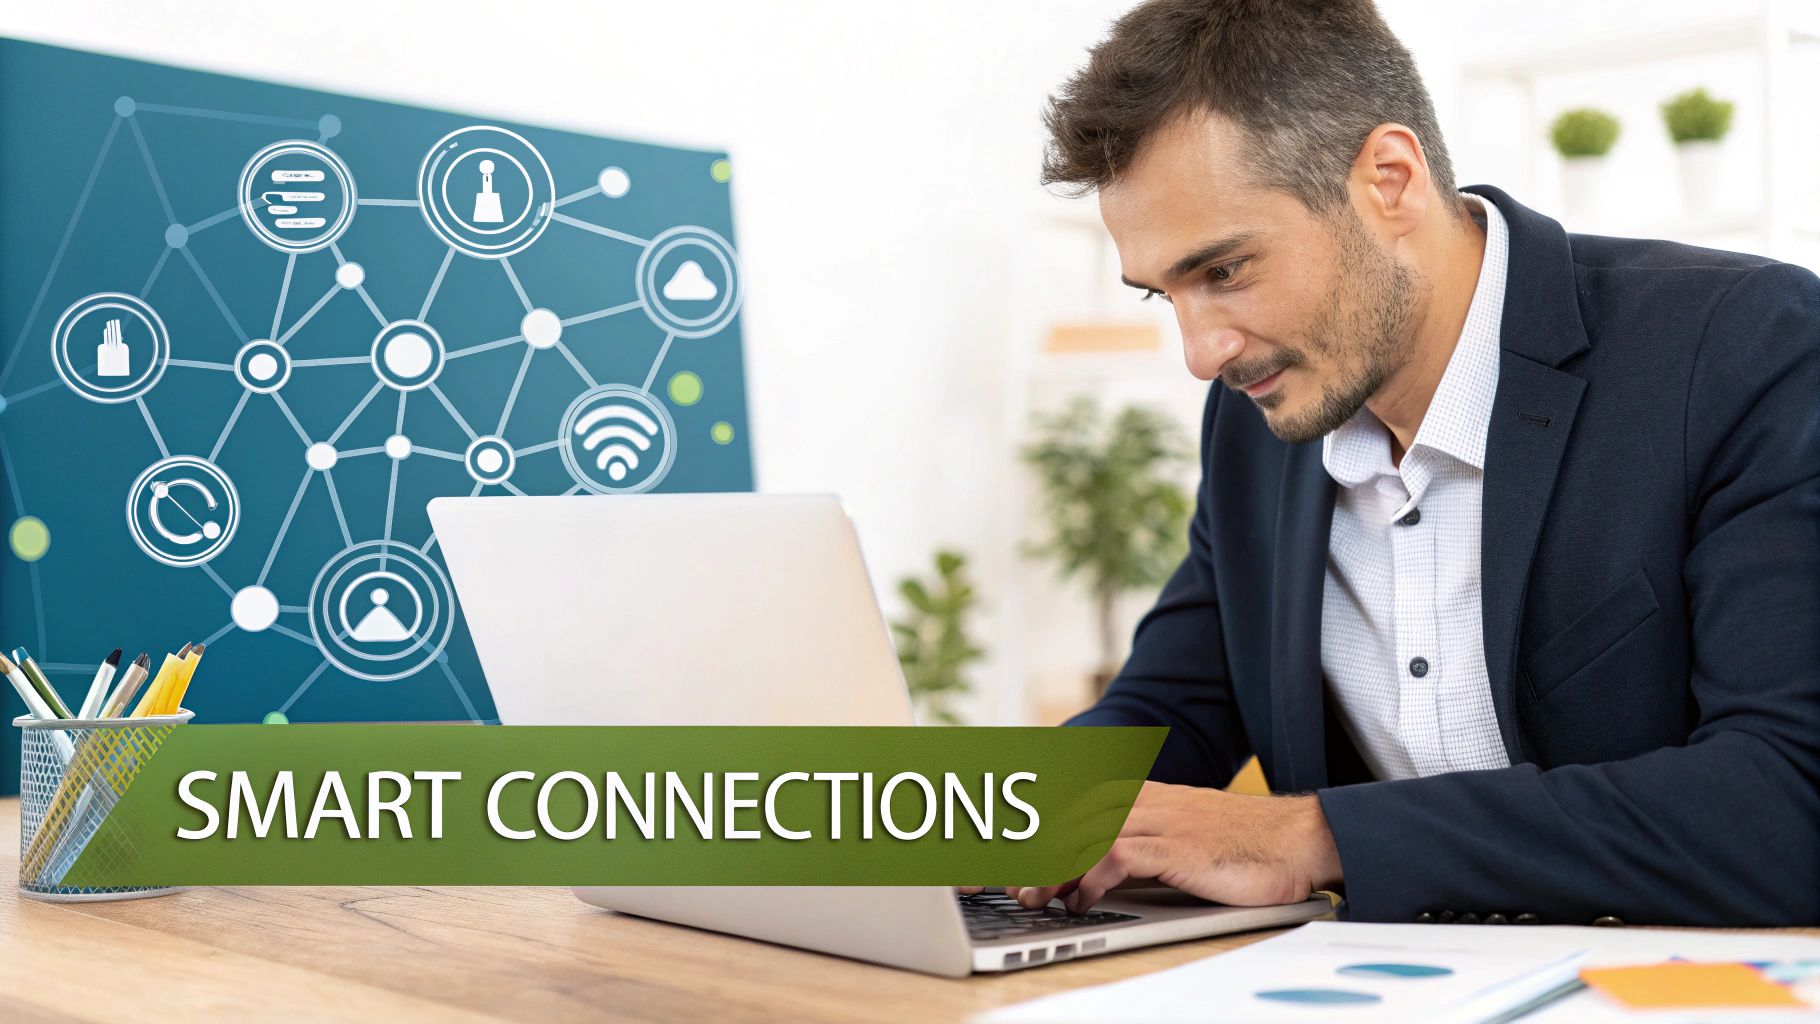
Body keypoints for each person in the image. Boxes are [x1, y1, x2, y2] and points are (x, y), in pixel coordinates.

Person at [1006, 0, 1820, 926]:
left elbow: (1789, 799)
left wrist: (1318, 836)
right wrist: (960, 829)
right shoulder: (1257, 425)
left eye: (1224, 271)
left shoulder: (1744, 350)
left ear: (1389, 182)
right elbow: (1171, 711)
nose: (1201, 352)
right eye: (1166, 295)